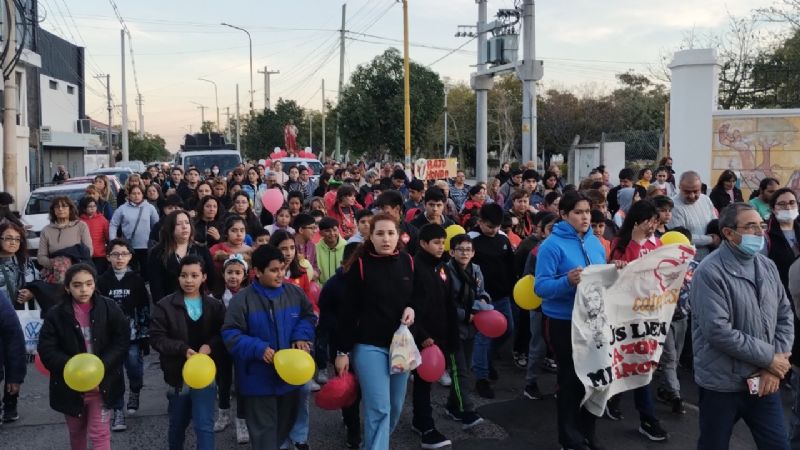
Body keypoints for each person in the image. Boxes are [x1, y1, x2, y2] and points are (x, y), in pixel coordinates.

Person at [691, 203, 794, 450]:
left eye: (761, 225)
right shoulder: (710, 272)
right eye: (750, 227)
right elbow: (718, 330)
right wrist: (770, 358)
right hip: (722, 384)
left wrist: (774, 365)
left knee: (778, 444)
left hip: (764, 380)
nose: (759, 232)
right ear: (728, 233)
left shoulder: (766, 266)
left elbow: (784, 315)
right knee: (713, 444)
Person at [334, 213, 416, 450]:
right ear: (370, 236)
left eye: (391, 233)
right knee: (379, 408)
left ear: (398, 235)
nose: (386, 238)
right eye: (380, 233)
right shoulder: (359, 265)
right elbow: (347, 312)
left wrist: (413, 308)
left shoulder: (407, 261)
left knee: (396, 406)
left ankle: (373, 444)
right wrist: (343, 351)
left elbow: (418, 296)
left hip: (400, 346)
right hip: (369, 346)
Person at [222, 244, 316, 449]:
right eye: (274, 270)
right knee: (264, 436)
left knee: (283, 430)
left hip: (290, 379)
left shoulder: (294, 293)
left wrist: (301, 335)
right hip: (257, 380)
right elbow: (230, 334)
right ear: (257, 271)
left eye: (282, 269)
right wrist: (257, 348)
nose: (280, 274)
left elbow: (308, 316)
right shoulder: (242, 300)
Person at [534, 190, 608, 450]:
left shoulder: (596, 243)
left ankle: (588, 431)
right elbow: (540, 288)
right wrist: (567, 281)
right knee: (571, 380)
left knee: (598, 378)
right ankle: (569, 437)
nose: (585, 217)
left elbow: (603, 278)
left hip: (595, 321)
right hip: (564, 321)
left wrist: (617, 271)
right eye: (578, 212)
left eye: (587, 211)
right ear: (563, 215)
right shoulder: (551, 246)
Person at [37, 264, 129, 450]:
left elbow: (121, 342)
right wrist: (73, 369)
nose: (84, 289)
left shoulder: (109, 307)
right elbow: (47, 350)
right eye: (77, 285)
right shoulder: (56, 314)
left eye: (89, 284)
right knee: (76, 433)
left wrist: (100, 369)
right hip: (70, 387)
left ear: (95, 284)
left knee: (100, 433)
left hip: (102, 385)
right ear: (67, 287)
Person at [605, 201, 668, 441]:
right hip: (627, 316)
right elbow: (624, 275)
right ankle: (648, 419)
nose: (653, 226)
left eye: (655, 221)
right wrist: (634, 242)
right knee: (639, 364)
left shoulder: (659, 244)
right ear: (636, 222)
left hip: (652, 315)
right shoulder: (620, 244)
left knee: (641, 363)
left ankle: (614, 398)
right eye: (648, 221)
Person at [150, 255, 225, 450]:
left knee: (204, 425)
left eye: (194, 275)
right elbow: (157, 338)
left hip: (205, 374)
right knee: (178, 425)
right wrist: (182, 349)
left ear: (204, 277)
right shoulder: (164, 305)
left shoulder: (214, 305)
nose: (189, 280)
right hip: (177, 375)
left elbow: (223, 333)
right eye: (184, 275)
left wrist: (210, 345)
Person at [410, 224, 461, 449]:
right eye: (436, 243)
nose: (441, 246)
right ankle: (425, 426)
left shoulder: (442, 266)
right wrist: (422, 335)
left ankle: (420, 420)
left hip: (440, 333)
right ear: (423, 244)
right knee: (422, 381)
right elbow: (409, 304)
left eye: (443, 242)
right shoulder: (414, 267)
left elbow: (448, 301)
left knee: (428, 382)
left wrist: (452, 333)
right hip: (422, 336)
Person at [97, 239, 151, 432]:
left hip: (133, 335)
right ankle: (117, 410)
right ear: (108, 256)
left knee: (134, 367)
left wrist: (145, 336)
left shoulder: (136, 280)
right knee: (113, 374)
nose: (120, 258)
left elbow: (144, 308)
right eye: (115, 254)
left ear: (130, 256)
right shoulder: (101, 281)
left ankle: (135, 391)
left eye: (124, 254)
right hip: (109, 338)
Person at [467, 203, 515, 399]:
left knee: (508, 329)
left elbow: (511, 266)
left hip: (502, 296)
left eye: (496, 226)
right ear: (480, 222)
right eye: (489, 226)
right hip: (482, 299)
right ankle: (481, 378)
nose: (493, 230)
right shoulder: (471, 240)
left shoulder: (503, 238)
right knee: (483, 337)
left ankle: (486, 360)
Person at [656, 226, 695, 415]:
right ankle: (675, 394)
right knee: (670, 358)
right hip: (663, 320)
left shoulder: (693, 268)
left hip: (683, 318)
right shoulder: (655, 270)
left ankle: (665, 388)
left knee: (674, 358)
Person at [211, 254, 250, 443]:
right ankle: (223, 413)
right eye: (229, 272)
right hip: (222, 346)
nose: (233, 276)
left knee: (243, 383)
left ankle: (242, 420)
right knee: (223, 381)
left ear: (245, 275)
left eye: (238, 273)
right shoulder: (215, 297)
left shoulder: (250, 295)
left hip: (242, 345)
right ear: (223, 274)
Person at [147, 210, 218, 303]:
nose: (184, 227)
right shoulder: (157, 252)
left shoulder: (201, 249)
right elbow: (156, 287)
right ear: (170, 228)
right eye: (179, 224)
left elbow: (212, 279)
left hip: (198, 302)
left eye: (187, 223)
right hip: (170, 305)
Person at [38, 197, 93, 283]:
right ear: (53, 211)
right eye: (57, 207)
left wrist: (70, 265)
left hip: (78, 271)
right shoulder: (46, 230)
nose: (60, 209)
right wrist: (58, 265)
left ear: (70, 209)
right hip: (54, 274)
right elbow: (41, 257)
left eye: (64, 206)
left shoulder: (81, 226)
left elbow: (89, 251)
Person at [668, 171, 719, 260]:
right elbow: (681, 236)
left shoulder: (705, 199)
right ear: (679, 187)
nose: (692, 196)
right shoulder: (673, 206)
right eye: (687, 192)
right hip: (687, 259)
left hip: (710, 257)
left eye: (696, 191)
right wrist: (710, 239)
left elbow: (714, 221)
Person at [109, 185, 160, 274]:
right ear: (129, 195)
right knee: (131, 271)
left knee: (146, 271)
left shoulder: (150, 208)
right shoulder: (122, 209)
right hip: (129, 246)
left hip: (146, 246)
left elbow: (156, 225)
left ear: (142, 195)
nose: (136, 196)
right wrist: (113, 240)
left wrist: (156, 241)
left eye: (138, 193)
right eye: (133, 193)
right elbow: (113, 224)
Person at [78, 196, 110, 274]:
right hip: (85, 255)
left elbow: (107, 235)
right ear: (84, 208)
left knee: (100, 275)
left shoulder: (102, 219)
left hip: (100, 254)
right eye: (89, 206)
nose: (92, 208)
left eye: (94, 206)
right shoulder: (79, 221)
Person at [316, 217, 346, 284]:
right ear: (320, 233)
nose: (332, 233)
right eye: (327, 231)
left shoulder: (347, 247)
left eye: (334, 230)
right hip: (322, 291)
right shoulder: (315, 249)